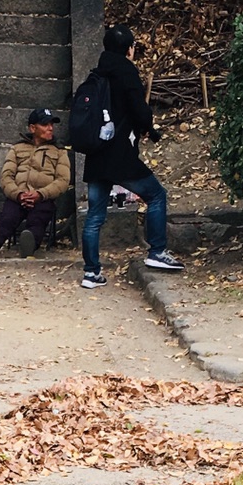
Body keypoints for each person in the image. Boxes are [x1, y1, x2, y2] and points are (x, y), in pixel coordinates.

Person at [77, 24, 180, 290]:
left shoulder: (97, 73)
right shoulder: (126, 71)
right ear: (129, 48)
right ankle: (157, 252)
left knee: (95, 216)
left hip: (97, 154)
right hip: (120, 155)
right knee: (156, 195)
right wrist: (148, 126)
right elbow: (140, 110)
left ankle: (91, 272)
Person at [0, 107, 71, 259]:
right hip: (19, 196)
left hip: (43, 197)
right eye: (45, 125)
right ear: (32, 128)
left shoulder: (59, 151)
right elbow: (6, 176)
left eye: (51, 124)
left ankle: (29, 244)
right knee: (8, 218)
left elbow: (63, 181)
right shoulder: (17, 148)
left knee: (38, 220)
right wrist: (19, 194)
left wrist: (41, 194)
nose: (50, 128)